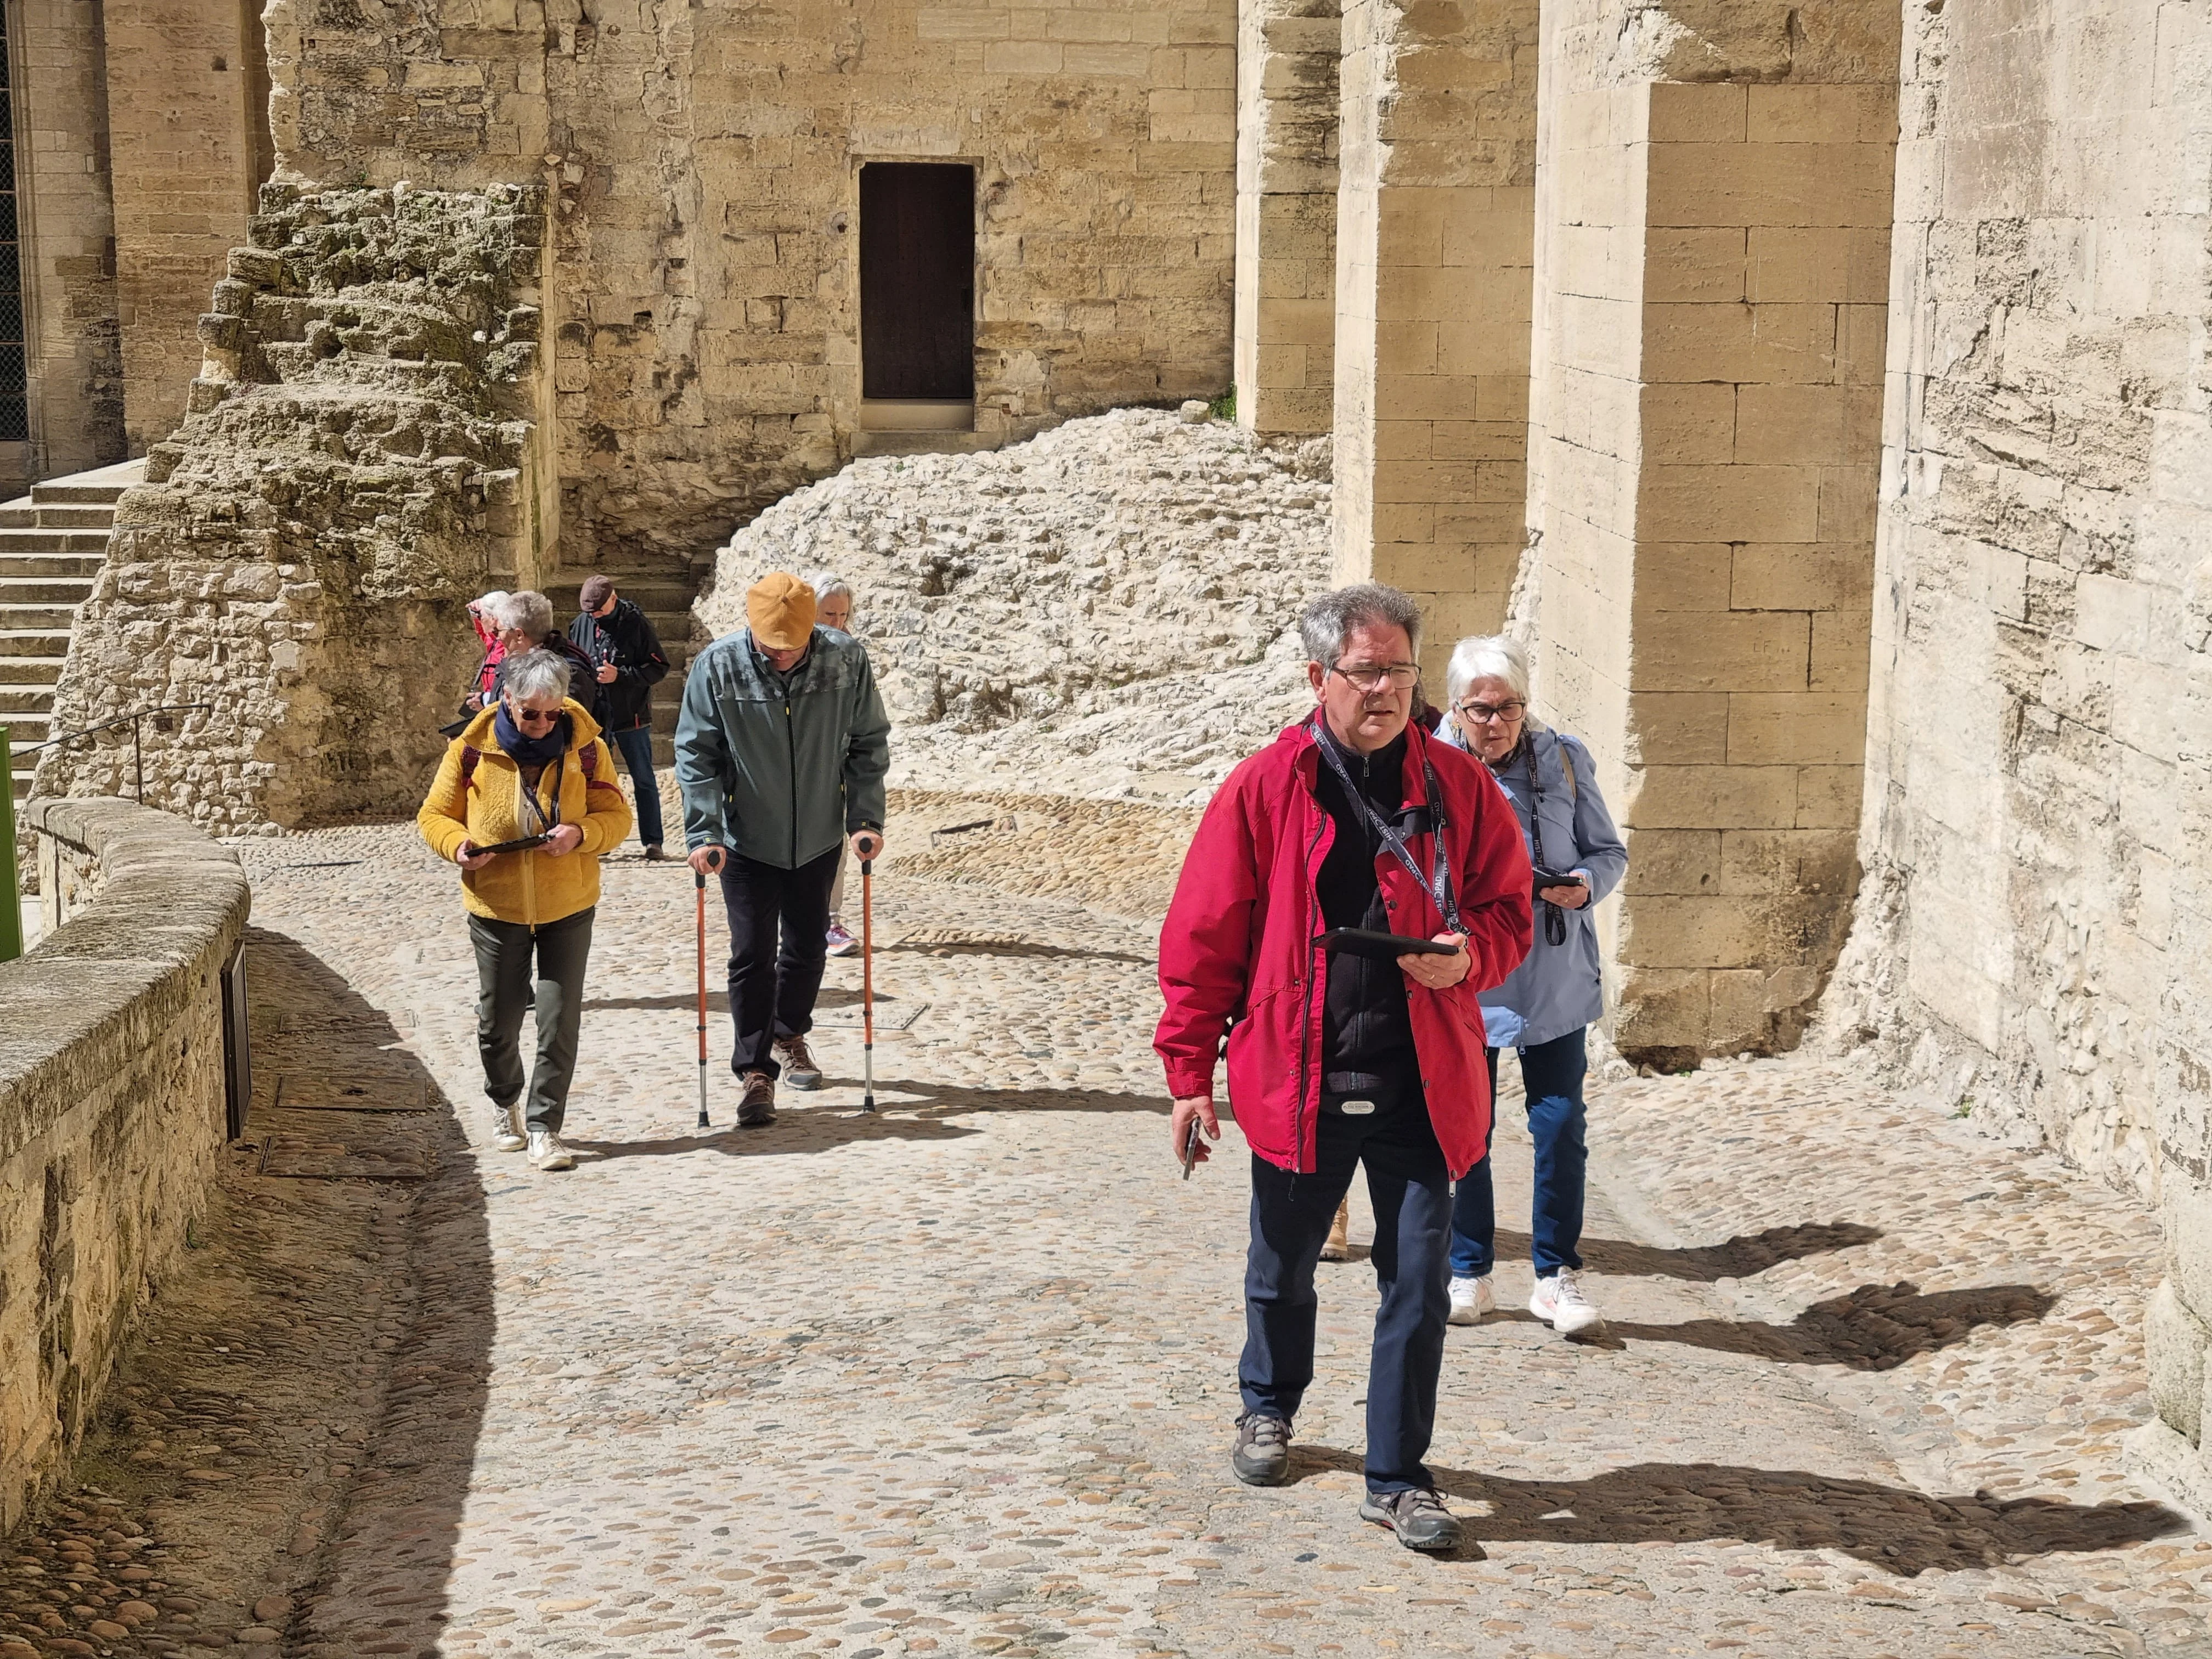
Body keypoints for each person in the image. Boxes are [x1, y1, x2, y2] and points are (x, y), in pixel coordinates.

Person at [1155, 582, 1533, 1553]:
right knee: (1281, 1269)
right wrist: (1190, 1070)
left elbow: (1507, 907)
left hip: (1422, 1075)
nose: (1387, 690)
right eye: (1368, 672)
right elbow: (1205, 936)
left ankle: (1399, 1474)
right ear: (1317, 675)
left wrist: (1469, 958)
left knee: (1416, 1284)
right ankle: (1268, 1403)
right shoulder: (1264, 786)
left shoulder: (1457, 787)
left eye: (1401, 672)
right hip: (1300, 1073)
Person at [1437, 635, 1627, 1337]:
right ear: (1456, 709)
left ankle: (1555, 1274)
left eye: (1508, 707)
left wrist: (1585, 885)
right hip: (1470, 973)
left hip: (1552, 972)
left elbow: (1609, 852)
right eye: (1480, 710)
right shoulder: (1426, 767)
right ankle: (1469, 1268)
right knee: (1466, 1130)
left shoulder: (1567, 760)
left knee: (1559, 1124)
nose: (1495, 722)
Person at [676, 572, 890, 1127]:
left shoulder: (845, 660)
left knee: (807, 950)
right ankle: (754, 1072)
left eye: (793, 648)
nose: (782, 658)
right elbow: (697, 753)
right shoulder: (717, 666)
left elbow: (868, 743)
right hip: (746, 840)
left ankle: (789, 1033)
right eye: (772, 649)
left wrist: (865, 817)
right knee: (751, 954)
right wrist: (704, 831)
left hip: (818, 835)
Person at [417, 648, 633, 1172]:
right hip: (496, 907)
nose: (541, 724)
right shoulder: (470, 748)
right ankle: (504, 1101)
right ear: (506, 700)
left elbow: (617, 816)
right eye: (530, 713)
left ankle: (544, 1128)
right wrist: (460, 844)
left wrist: (582, 834)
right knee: (499, 1018)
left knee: (560, 1019)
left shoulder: (587, 747)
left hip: (569, 904)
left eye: (552, 713)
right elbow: (433, 816)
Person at [569, 574, 672, 860]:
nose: (595, 617)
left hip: (631, 717)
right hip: (595, 716)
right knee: (592, 781)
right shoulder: (581, 624)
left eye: (599, 611)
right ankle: (597, 838)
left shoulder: (637, 625)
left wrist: (621, 676)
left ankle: (653, 841)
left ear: (613, 599)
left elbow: (659, 668)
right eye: (590, 612)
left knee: (643, 779)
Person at [806, 570, 864, 957]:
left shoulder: (853, 655)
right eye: (829, 615)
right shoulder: (791, 652)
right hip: (796, 767)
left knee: (835, 847)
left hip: (834, 767)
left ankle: (830, 921)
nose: (838, 624)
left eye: (843, 616)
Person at [489, 590, 603, 721]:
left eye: (498, 631)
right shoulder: (517, 662)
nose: (498, 638)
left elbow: (563, 729)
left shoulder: (568, 675)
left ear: (519, 635)